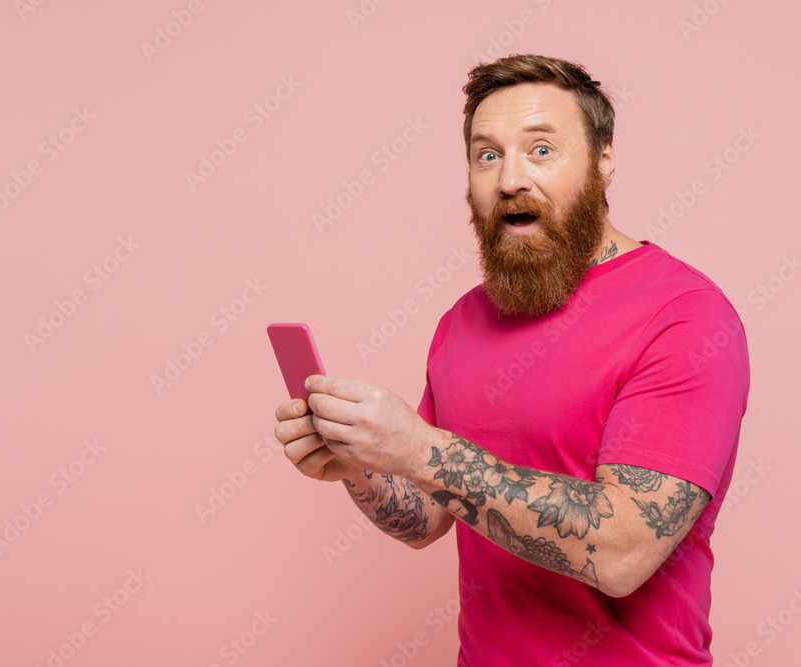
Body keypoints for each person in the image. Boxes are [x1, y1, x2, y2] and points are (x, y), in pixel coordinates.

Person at [273, 54, 750, 666]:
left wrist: (420, 449)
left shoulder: (686, 317)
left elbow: (621, 553)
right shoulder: (462, 321)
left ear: (604, 160)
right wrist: (360, 465)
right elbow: (428, 516)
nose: (509, 180)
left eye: (541, 150)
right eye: (487, 154)